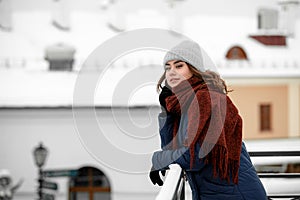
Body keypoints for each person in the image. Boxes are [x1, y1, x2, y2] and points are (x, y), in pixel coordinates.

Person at [149, 40, 267, 199]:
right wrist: (167, 113)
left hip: (237, 195)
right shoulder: (183, 103)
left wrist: (158, 160)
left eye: (179, 66)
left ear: (193, 69)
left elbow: (197, 156)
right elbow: (169, 147)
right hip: (213, 194)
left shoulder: (206, 99)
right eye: (167, 67)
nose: (171, 72)